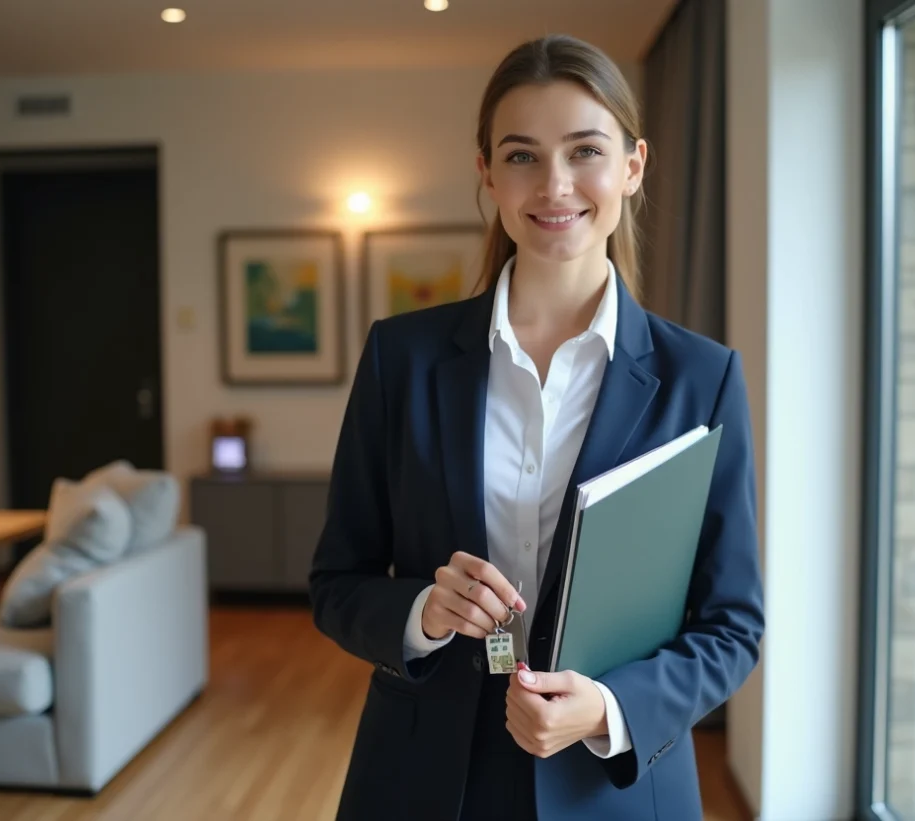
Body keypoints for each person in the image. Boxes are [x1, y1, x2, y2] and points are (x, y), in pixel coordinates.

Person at [309, 33, 764, 821]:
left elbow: (732, 623)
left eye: (585, 150)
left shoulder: (702, 377)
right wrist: (423, 612)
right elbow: (336, 582)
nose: (554, 185)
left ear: (633, 165)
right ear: (486, 172)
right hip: (421, 775)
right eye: (521, 156)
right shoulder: (402, 358)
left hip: (610, 784)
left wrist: (607, 707)